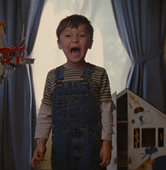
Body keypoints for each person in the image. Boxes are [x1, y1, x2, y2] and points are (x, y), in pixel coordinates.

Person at [31, 14, 113, 170]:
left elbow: (106, 111)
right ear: (59, 43)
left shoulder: (99, 74)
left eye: (81, 35)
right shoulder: (52, 76)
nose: (75, 40)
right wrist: (40, 142)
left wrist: (107, 143)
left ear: (90, 43)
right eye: (68, 35)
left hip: (92, 146)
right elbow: (45, 112)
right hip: (62, 146)